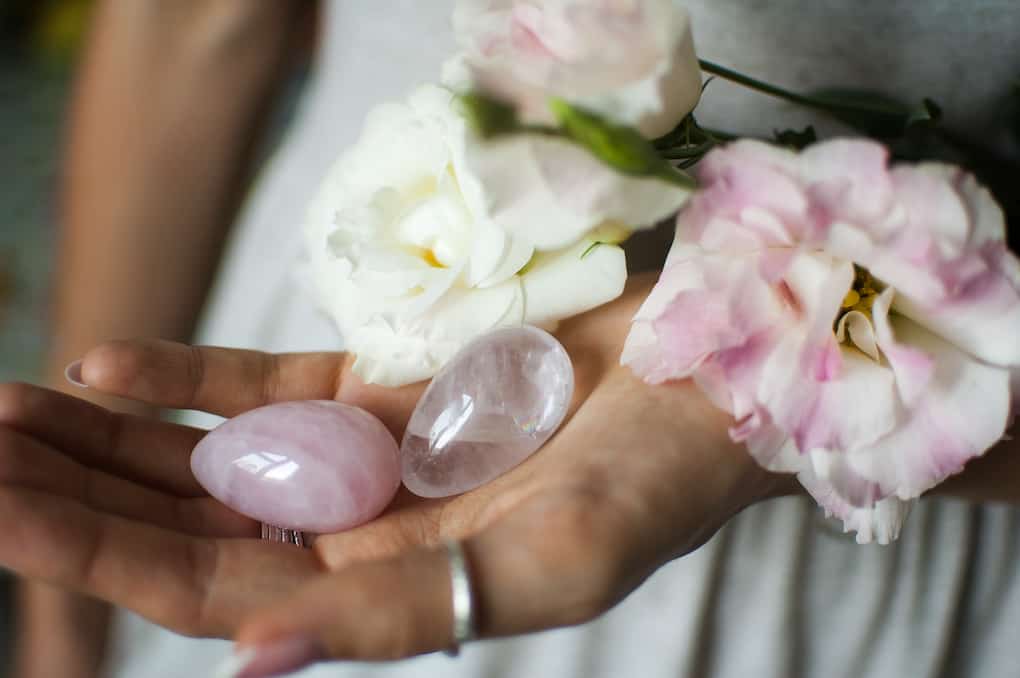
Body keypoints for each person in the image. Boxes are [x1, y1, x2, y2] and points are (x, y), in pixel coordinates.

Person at [6, 1, 1020, 677]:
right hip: (376, 298)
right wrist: (63, 623)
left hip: (898, 402)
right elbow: (191, 23)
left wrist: (751, 398)